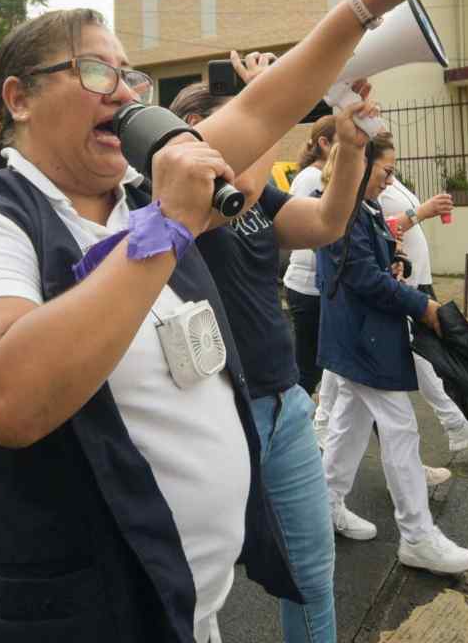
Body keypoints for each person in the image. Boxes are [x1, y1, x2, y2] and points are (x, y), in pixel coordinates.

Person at [0, 0, 441, 643]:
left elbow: (266, 106)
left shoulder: (138, 195)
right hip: (72, 617)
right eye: (96, 69)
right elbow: (5, 400)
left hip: (184, 608)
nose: (127, 92)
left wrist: (366, 3)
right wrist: (163, 228)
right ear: (20, 99)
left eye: (129, 75)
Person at [171, 65, 376, 643]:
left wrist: (351, 149)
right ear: (194, 130)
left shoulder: (260, 193)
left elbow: (329, 222)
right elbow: (241, 196)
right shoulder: (184, 197)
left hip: (283, 405)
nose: (257, 123)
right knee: (193, 587)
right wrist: (286, 102)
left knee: (311, 575)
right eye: (245, 113)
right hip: (211, 412)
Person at [315, 136, 468, 575]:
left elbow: (366, 269)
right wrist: (422, 307)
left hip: (359, 335)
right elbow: (363, 279)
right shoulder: (343, 207)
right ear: (360, 165)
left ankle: (326, 505)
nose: (391, 178)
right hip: (362, 337)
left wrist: (395, 262)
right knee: (400, 428)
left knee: (349, 424)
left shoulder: (357, 206)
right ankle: (417, 536)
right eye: (386, 170)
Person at [375, 177, 468, 453]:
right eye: (385, 169)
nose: (388, 176)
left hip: (419, 277)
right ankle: (457, 425)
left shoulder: (392, 180)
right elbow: (383, 229)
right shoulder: (370, 184)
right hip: (405, 285)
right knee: (430, 356)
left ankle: (458, 424)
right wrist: (423, 210)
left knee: (429, 357)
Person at [281, 117, 336, 400]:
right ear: (324, 144)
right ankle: (291, 429)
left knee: (325, 369)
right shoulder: (313, 178)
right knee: (309, 369)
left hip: (317, 287)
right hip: (307, 287)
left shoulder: (320, 176)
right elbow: (304, 229)